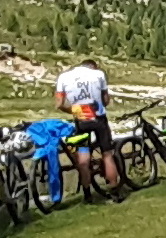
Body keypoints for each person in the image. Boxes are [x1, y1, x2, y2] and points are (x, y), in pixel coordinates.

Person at [53, 57, 123, 200]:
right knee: (107, 155)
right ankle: (114, 191)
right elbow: (106, 100)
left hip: (81, 121)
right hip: (99, 119)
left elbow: (59, 104)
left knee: (83, 159)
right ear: (92, 66)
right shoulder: (98, 74)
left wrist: (74, 111)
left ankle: (87, 194)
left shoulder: (64, 77)